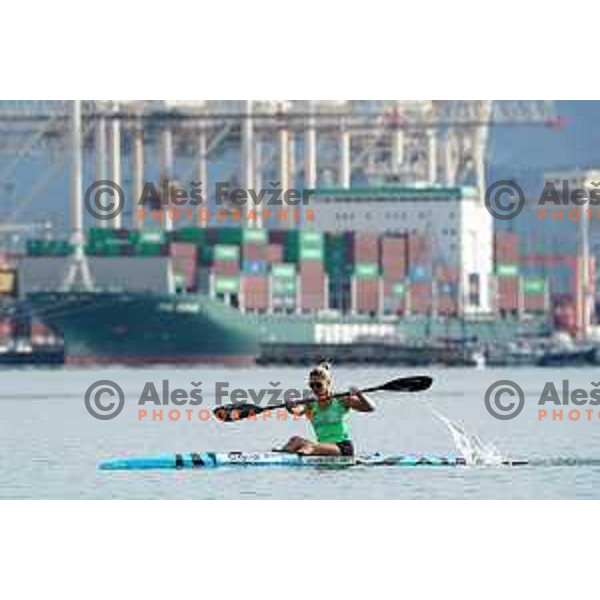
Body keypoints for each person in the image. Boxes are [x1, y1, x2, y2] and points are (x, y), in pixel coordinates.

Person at [278, 360, 374, 457]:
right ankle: (279, 458)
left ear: (328, 383)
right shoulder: (311, 404)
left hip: (342, 448)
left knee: (310, 447)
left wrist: (359, 394)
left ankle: (301, 455)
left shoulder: (341, 400)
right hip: (321, 446)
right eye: (312, 385)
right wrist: (289, 406)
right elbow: (297, 412)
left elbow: (370, 408)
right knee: (295, 440)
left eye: (318, 385)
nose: (315, 389)